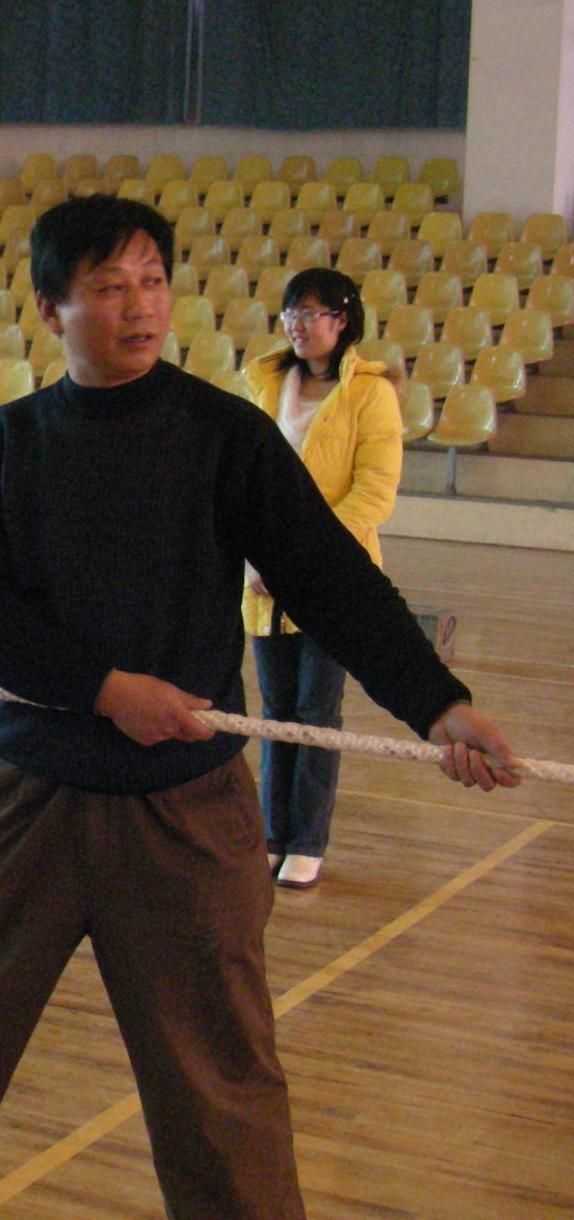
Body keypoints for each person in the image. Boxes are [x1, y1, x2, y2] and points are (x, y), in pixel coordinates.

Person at [0, 196, 518, 1220]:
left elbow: (331, 582)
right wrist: (105, 688)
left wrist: (437, 704)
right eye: (107, 285)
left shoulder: (222, 436)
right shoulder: (6, 445)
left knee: (221, 1075)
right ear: (50, 307)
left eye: (151, 280)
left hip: (185, 812)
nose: (137, 305)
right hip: (19, 800)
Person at [242, 269, 404, 890]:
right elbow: (243, 482)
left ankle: (306, 841)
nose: (299, 324)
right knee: (275, 712)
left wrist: (305, 555)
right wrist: (257, 557)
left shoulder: (371, 393)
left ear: (343, 321)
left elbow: (374, 492)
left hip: (334, 576)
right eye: (292, 312)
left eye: (312, 313)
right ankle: (271, 835)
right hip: (263, 579)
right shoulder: (262, 384)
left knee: (316, 711)